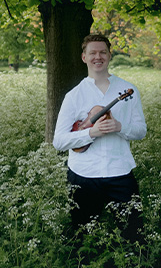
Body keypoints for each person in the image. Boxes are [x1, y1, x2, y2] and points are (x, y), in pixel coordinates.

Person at [53, 33, 147, 246]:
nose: (98, 57)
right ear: (84, 57)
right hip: (83, 174)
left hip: (120, 172)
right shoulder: (74, 95)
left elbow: (141, 131)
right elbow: (58, 141)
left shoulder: (128, 90)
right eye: (92, 53)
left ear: (109, 55)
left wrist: (120, 127)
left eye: (103, 52)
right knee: (82, 236)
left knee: (134, 235)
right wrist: (90, 133)